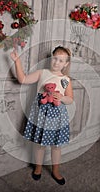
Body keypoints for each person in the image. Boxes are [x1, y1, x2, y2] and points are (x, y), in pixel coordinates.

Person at [10, 46, 73, 185]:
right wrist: (17, 62)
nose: (57, 62)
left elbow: (70, 99)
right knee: (40, 144)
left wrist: (62, 98)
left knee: (56, 146)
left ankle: (55, 170)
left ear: (66, 64)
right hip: (41, 114)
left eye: (61, 61)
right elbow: (23, 79)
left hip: (57, 116)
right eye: (55, 58)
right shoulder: (42, 73)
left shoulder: (66, 80)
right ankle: (38, 168)